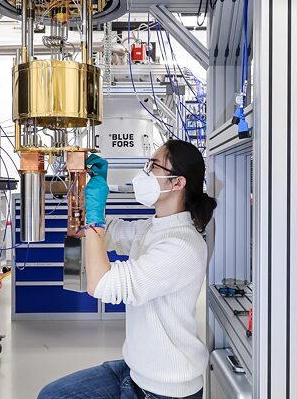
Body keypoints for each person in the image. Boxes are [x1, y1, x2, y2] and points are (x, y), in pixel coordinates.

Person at [37, 140, 217, 399]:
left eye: (153, 166)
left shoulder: (183, 247)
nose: (144, 173)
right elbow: (91, 231)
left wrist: (96, 214)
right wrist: (80, 185)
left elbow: (100, 284)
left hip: (165, 389)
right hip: (133, 371)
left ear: (178, 183)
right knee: (52, 395)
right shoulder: (153, 228)